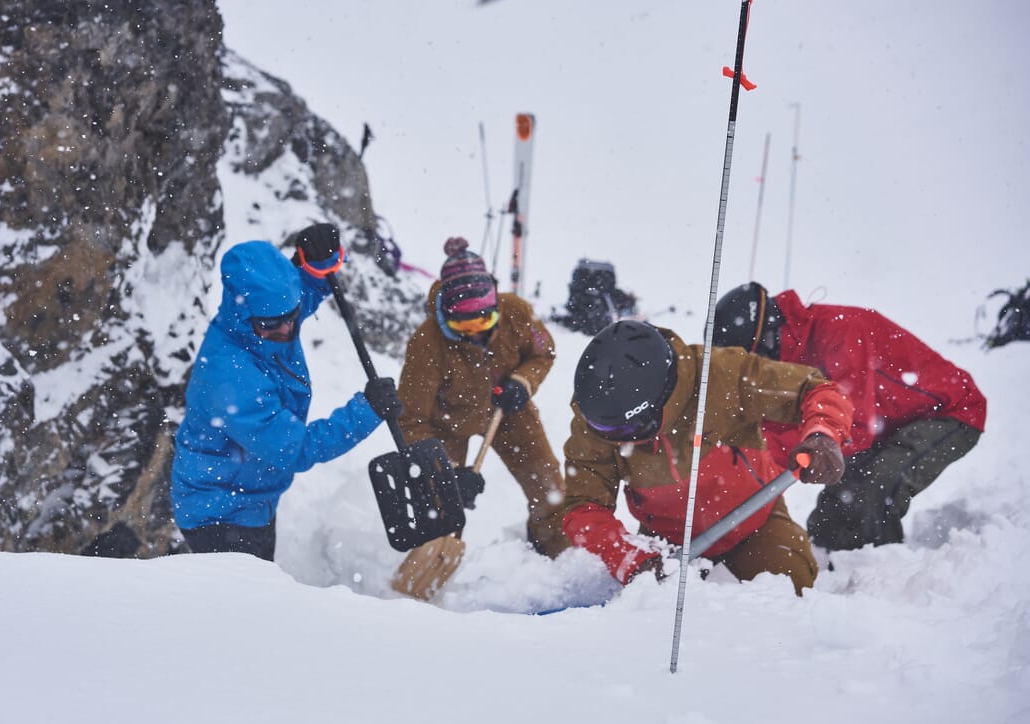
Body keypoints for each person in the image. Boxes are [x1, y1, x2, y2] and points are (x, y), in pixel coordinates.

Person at [544, 320, 853, 595]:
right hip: (665, 543)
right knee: (651, 622)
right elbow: (582, 506)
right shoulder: (601, 420)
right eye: (602, 429)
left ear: (658, 402)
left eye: (625, 429)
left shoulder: (721, 376)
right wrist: (629, 558)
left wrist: (823, 433)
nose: (612, 438)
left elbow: (814, 390)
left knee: (788, 590)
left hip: (754, 520)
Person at [170, 224, 402, 558]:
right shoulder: (229, 378)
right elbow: (296, 449)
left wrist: (314, 263)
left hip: (251, 496)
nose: (285, 329)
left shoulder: (265, 322)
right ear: (243, 313)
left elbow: (297, 295)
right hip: (218, 514)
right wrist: (366, 411)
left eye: (290, 317)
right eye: (271, 323)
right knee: (245, 606)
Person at [713, 282, 986, 551]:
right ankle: (828, 570)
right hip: (891, 422)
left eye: (751, 361)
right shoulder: (791, 357)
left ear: (765, 342)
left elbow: (855, 427)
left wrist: (763, 451)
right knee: (835, 510)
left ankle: (884, 578)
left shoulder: (839, 331)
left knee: (877, 486)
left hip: (951, 412)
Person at [397, 237, 565, 555]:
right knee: (444, 502)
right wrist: (446, 473)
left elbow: (544, 353)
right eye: (464, 323)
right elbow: (410, 419)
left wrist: (522, 382)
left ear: (495, 308)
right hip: (445, 424)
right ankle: (435, 565)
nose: (475, 331)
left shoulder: (516, 312)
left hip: (509, 411)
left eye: (483, 320)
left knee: (549, 487)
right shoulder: (427, 342)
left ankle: (555, 551)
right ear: (446, 312)